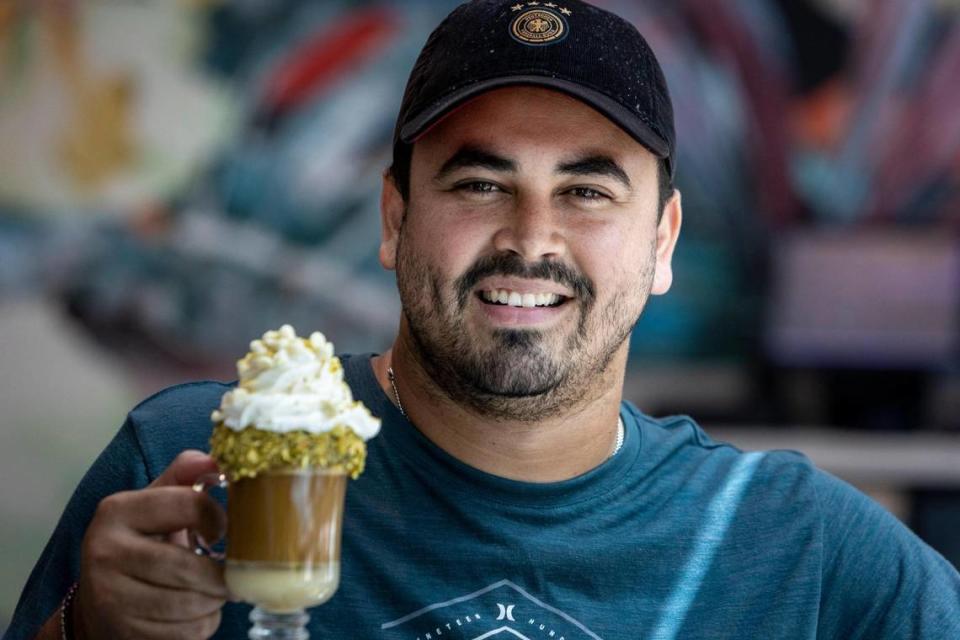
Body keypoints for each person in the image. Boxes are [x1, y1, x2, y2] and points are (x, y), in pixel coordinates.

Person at [9, 1, 960, 639]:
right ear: (395, 218)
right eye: (479, 181)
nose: (530, 238)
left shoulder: (801, 550)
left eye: (587, 190)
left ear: (664, 241)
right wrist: (82, 630)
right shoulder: (184, 468)